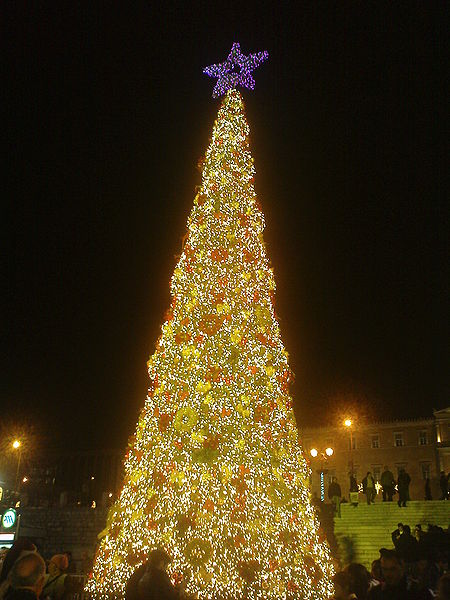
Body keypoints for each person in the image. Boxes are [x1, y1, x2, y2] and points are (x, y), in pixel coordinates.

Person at [368, 549, 433, 599]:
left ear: (402, 567)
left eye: (393, 569)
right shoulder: (376, 593)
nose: (388, 574)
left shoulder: (419, 592)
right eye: (385, 569)